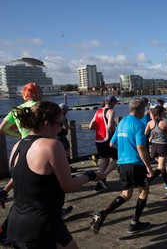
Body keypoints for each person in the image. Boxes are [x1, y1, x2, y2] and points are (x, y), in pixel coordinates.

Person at [7, 101, 105, 248]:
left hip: (15, 225)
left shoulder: (17, 146)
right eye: (59, 124)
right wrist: (90, 175)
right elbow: (68, 185)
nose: (61, 129)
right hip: (42, 226)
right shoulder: (51, 145)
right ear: (46, 124)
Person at [89, 98, 154, 234]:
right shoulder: (139, 125)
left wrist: (124, 149)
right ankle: (135, 222)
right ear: (141, 110)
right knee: (143, 191)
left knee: (126, 194)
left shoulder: (122, 122)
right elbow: (141, 147)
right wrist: (148, 166)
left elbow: (112, 144)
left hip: (122, 164)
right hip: (136, 164)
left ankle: (103, 213)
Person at [0, 82, 43, 247]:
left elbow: (2, 129)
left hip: (22, 148)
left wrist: (19, 135)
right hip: (38, 150)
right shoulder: (40, 107)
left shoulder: (16, 110)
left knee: (23, 186)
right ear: (36, 93)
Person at [89, 95, 119, 192]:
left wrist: (100, 127)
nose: (115, 105)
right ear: (112, 103)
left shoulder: (98, 111)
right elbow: (110, 126)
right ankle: (103, 176)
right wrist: (115, 132)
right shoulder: (111, 111)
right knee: (118, 158)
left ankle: (100, 183)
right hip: (107, 139)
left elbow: (91, 126)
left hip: (98, 139)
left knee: (105, 161)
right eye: (115, 103)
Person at [145, 105, 167, 190]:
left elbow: (145, 134)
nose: (165, 112)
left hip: (154, 147)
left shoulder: (150, 123)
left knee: (162, 166)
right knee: (160, 167)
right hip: (162, 147)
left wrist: (153, 136)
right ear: (161, 113)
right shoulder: (165, 123)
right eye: (164, 111)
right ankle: (148, 179)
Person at [57, 103, 78, 173]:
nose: (67, 112)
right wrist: (70, 128)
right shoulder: (62, 116)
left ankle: (63, 167)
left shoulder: (55, 115)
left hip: (55, 136)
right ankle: (67, 168)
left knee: (60, 152)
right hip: (60, 136)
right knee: (67, 150)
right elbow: (64, 127)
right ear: (62, 110)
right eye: (66, 110)